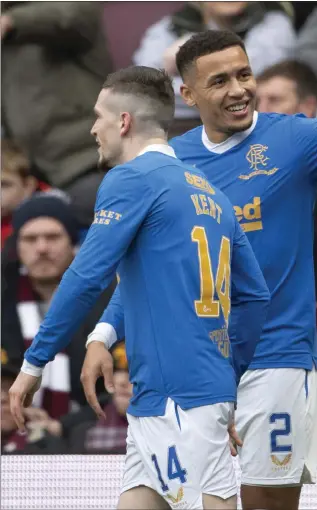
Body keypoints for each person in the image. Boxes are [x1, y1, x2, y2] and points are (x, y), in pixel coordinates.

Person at [9, 66, 270, 510]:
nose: (94, 127)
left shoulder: (131, 179)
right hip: (169, 396)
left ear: (124, 121)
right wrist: (102, 335)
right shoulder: (213, 195)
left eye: (99, 116)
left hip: (177, 398)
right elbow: (253, 297)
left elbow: (86, 274)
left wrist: (34, 362)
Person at [89, 31, 317, 510]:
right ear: (187, 95)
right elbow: (150, 268)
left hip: (276, 355)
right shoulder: (173, 162)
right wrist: (104, 334)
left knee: (266, 503)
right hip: (198, 368)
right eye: (219, 81)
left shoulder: (297, 139)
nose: (238, 89)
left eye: (244, 74)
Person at [2, 191, 116, 419]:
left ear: (73, 244)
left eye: (52, 237)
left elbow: (117, 384)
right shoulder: (4, 297)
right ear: (17, 246)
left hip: (90, 429)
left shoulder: (107, 297)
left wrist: (65, 427)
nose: (42, 248)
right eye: (30, 239)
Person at [1, 2, 113, 226]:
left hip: (88, 163)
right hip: (32, 174)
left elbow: (75, 14)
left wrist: (12, 21)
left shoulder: (61, 13)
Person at [133, 1, 295, 136]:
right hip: (180, 131)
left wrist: (176, 68)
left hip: (251, 129)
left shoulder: (273, 22)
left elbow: (257, 77)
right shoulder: (169, 28)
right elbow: (146, 91)